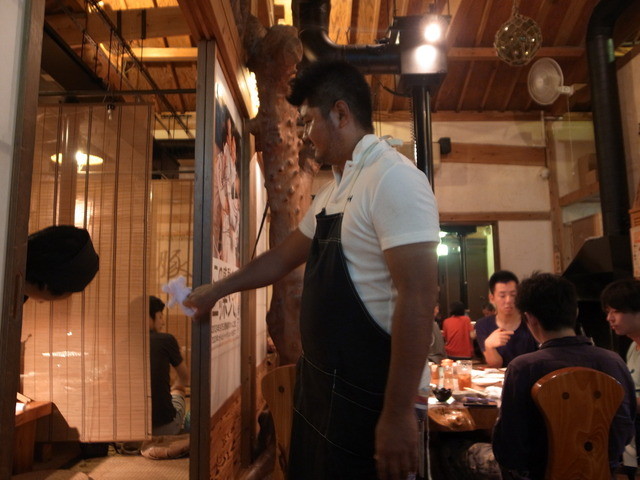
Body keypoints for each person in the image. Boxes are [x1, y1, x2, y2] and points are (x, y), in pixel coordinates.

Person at [185, 60, 439, 480]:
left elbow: (419, 297)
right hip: (320, 388)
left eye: (307, 121)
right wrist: (217, 290)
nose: (304, 135)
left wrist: (396, 415)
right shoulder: (334, 191)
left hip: (371, 399)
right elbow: (281, 258)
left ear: (340, 114)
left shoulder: (393, 179)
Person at [493, 273, 635, 479]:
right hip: (602, 472)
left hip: (537, 475)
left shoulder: (523, 368)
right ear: (575, 312)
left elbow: (509, 451)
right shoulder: (613, 362)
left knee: (457, 451)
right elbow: (625, 430)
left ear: (529, 318)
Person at [601, 278, 640, 474]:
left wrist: (616, 400)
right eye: (608, 312)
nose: (609, 318)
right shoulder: (633, 346)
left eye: (615, 311)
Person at [475, 270, 537, 367]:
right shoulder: (482, 325)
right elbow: (496, 365)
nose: (508, 300)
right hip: (501, 376)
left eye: (513, 295)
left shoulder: (532, 321)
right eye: (502, 296)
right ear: (492, 298)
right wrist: (489, 346)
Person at [25, 225, 99, 301]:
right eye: (45, 299)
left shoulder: (19, 243)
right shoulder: (17, 295)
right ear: (45, 285)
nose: (40, 302)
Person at [149, 295, 189, 436]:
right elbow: (185, 378)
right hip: (163, 426)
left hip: (130, 429)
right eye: (160, 317)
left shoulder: (122, 343)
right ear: (149, 318)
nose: (163, 322)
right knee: (178, 392)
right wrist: (176, 387)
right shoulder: (166, 340)